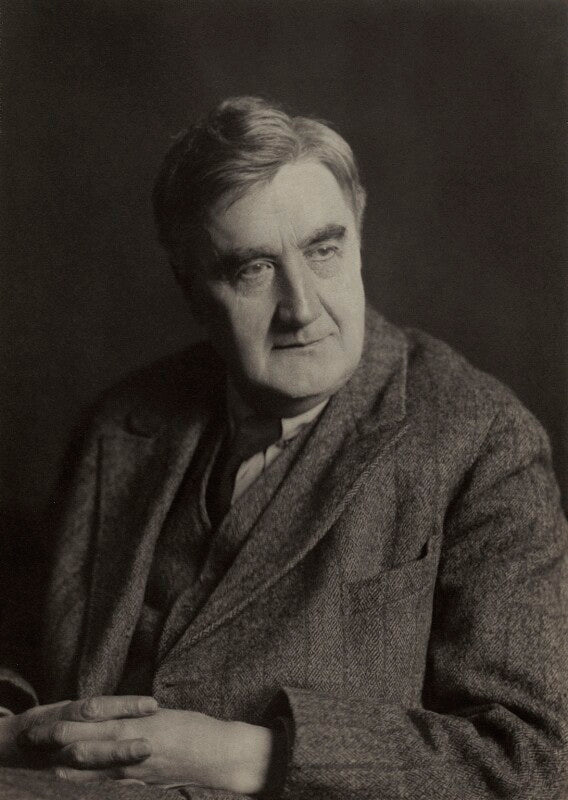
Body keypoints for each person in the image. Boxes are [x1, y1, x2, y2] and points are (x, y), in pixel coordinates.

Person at [0, 96, 566, 799]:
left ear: (359, 237)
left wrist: (241, 756)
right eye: (254, 270)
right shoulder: (121, 423)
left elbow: (533, 760)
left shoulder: (482, 441)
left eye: (324, 251)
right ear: (190, 287)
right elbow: (22, 644)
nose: (301, 307)